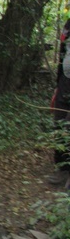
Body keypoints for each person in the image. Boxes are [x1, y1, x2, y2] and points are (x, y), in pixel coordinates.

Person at [49, 18, 70, 189]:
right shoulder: (68, 26)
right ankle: (62, 168)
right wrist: (58, 86)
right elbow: (62, 54)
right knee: (60, 124)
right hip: (65, 82)